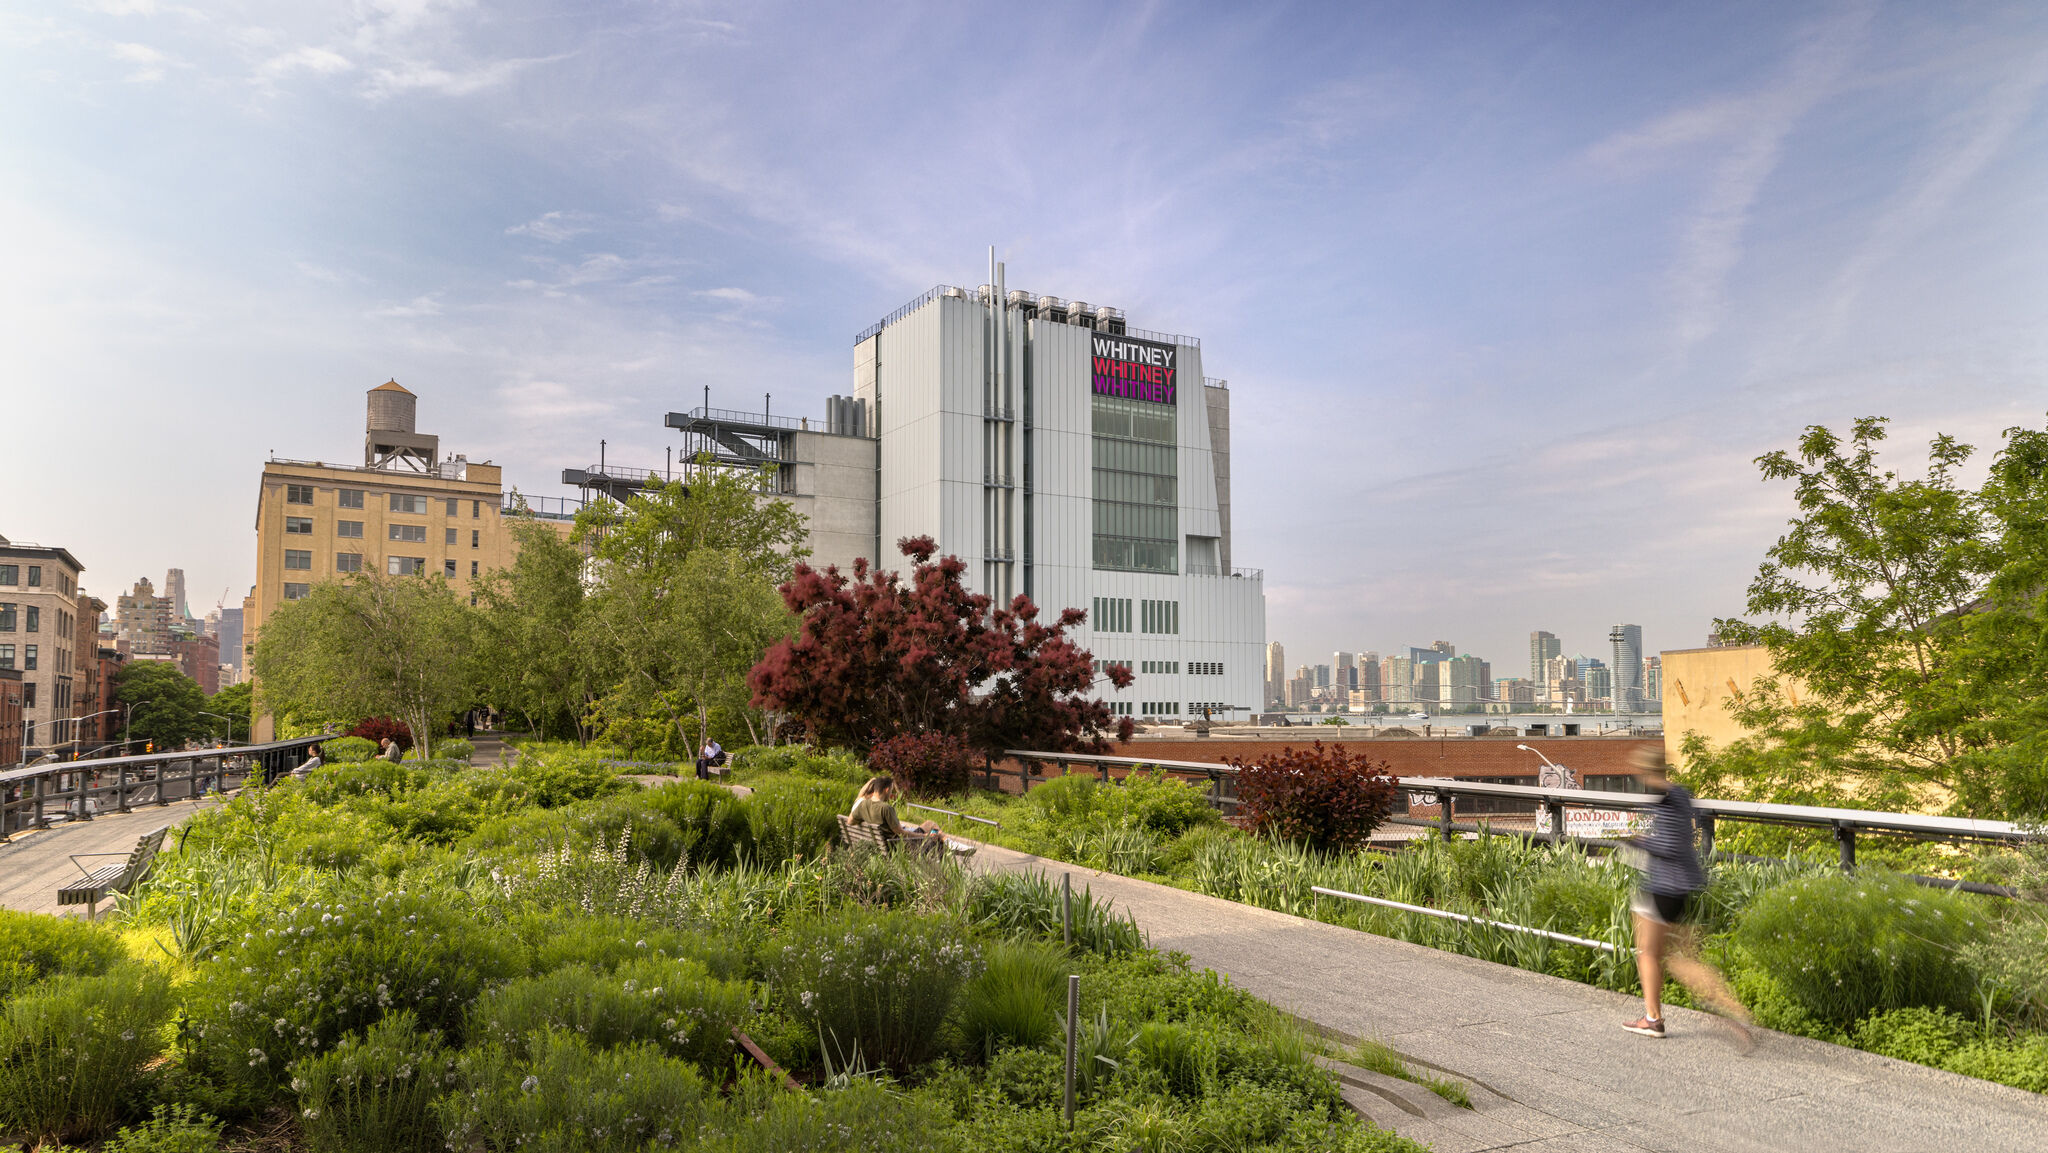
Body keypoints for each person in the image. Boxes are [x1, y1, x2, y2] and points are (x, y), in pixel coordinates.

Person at [1623, 749, 1750, 1045]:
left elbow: (1668, 846)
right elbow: (1684, 836)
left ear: (1646, 772)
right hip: (1683, 887)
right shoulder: (1680, 794)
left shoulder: (1664, 802)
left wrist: (1636, 840)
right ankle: (1733, 1011)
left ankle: (1653, 1020)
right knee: (1681, 959)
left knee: (1649, 954)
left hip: (1663, 888)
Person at [848, 775, 942, 846]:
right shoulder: (886, 808)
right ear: (886, 790)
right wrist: (924, 836)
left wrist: (867, 819)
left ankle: (946, 841)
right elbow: (902, 833)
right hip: (898, 845)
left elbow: (850, 821)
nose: (890, 793)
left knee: (928, 824)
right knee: (935, 837)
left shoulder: (862, 805)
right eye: (891, 791)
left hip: (880, 844)